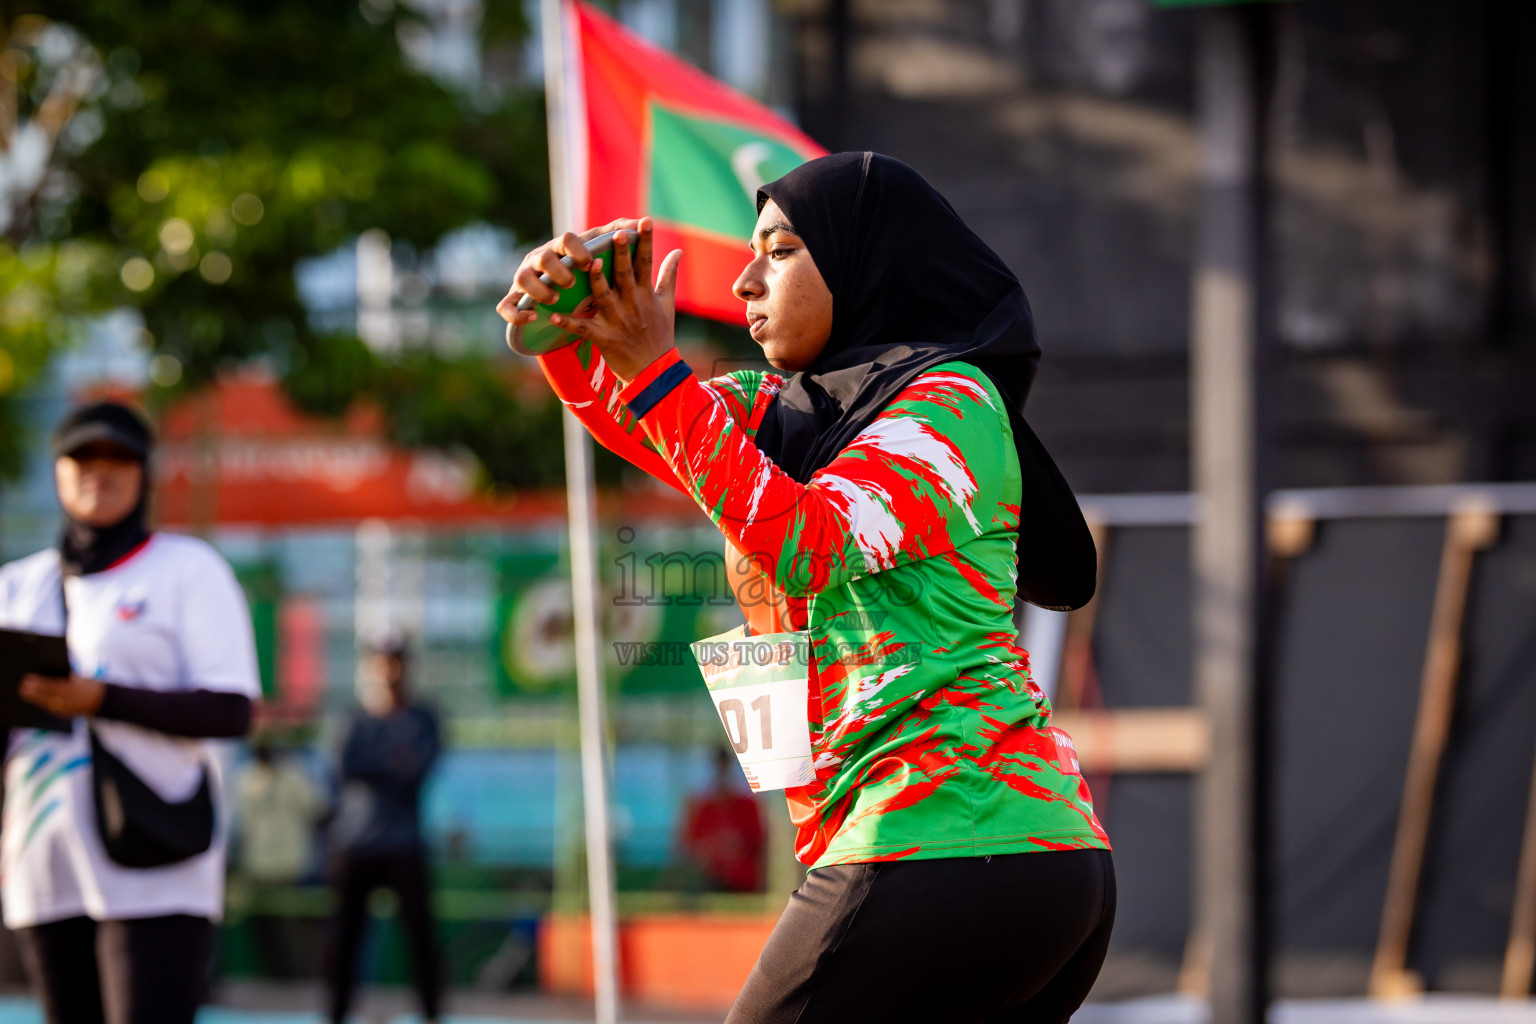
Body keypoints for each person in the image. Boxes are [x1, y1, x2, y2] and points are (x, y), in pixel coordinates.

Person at [499, 152, 1114, 1023]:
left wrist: (653, 370)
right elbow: (648, 424)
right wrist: (571, 327)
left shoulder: (949, 402)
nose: (745, 282)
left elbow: (809, 541)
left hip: (947, 840)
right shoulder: (797, 410)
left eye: (780, 251)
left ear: (865, 260)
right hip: (963, 856)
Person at [0, 400, 259, 1024]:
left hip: (157, 855)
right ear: (57, 470)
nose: (100, 471)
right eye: (83, 457)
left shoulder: (187, 570)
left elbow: (231, 711)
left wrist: (103, 700)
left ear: (145, 472)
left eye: (119, 457)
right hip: (44, 859)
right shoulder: (17, 587)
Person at [323, 637, 441, 1024]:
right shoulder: (353, 720)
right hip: (356, 846)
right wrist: (392, 763)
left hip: (405, 845)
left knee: (421, 941)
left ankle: (431, 1013)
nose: (388, 671)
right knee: (345, 942)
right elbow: (347, 767)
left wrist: (380, 766)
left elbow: (416, 771)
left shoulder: (424, 719)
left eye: (396, 662)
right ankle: (336, 1014)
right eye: (381, 663)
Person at [236, 739, 323, 978]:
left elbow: (318, 809)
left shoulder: (294, 774)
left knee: (292, 931)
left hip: (289, 865)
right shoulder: (246, 776)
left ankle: (296, 981)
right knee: (264, 931)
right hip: (258, 866)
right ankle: (274, 979)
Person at [677, 747, 766, 893]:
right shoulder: (703, 806)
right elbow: (690, 845)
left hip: (744, 883)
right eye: (719, 766)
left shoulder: (748, 804)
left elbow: (759, 842)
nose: (722, 773)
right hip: (710, 881)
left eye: (725, 766)